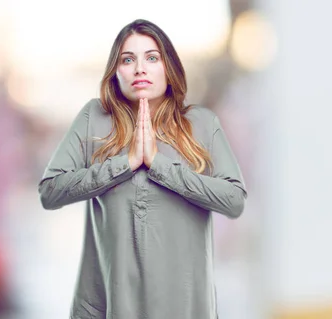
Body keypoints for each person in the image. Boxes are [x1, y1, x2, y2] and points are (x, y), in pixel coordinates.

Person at [38, 19, 247, 319]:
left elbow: (234, 200)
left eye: (152, 57)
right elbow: (50, 191)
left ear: (169, 68)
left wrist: (159, 164)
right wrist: (125, 163)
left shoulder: (200, 124)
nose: (140, 68)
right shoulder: (94, 118)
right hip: (110, 308)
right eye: (128, 59)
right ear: (115, 72)